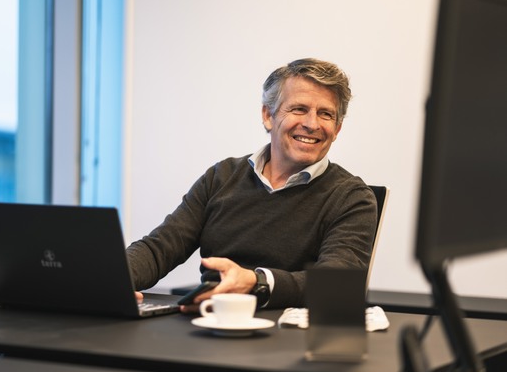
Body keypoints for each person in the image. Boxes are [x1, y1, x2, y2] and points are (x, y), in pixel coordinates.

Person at [126, 58, 377, 311]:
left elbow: (335, 284)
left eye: (325, 114)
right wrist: (113, 280)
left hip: (288, 332)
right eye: (299, 109)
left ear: (337, 128)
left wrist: (257, 283)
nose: (312, 124)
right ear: (268, 115)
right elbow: (160, 249)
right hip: (210, 324)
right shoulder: (221, 177)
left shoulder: (352, 198)